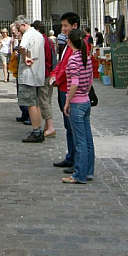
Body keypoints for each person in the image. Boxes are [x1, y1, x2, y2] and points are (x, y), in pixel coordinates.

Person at [62, 30, 95, 185]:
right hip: (86, 101)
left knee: (80, 141)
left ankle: (79, 175)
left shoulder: (73, 59)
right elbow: (90, 80)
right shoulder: (86, 58)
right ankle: (88, 171)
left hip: (76, 102)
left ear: (69, 41)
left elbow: (74, 83)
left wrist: (67, 101)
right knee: (88, 140)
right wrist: (85, 93)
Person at [50, 11, 80, 167]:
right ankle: (71, 156)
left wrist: (56, 78)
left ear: (74, 26)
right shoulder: (68, 44)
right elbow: (61, 64)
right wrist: (54, 75)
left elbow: (69, 68)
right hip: (62, 87)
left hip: (67, 89)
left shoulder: (77, 45)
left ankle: (75, 159)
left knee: (72, 127)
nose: (62, 29)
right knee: (68, 126)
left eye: (65, 26)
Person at [16, 15, 47, 143]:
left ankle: (35, 131)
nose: (19, 31)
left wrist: (24, 58)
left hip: (29, 74)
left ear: (24, 25)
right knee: (36, 103)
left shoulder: (28, 34)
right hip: (39, 73)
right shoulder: (39, 35)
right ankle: (38, 128)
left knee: (31, 104)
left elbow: (22, 47)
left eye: (19, 28)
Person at [33, 20, 55, 137]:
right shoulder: (49, 40)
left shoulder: (41, 41)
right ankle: (47, 125)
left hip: (44, 74)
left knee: (44, 101)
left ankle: (50, 126)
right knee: (47, 100)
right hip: (49, 73)